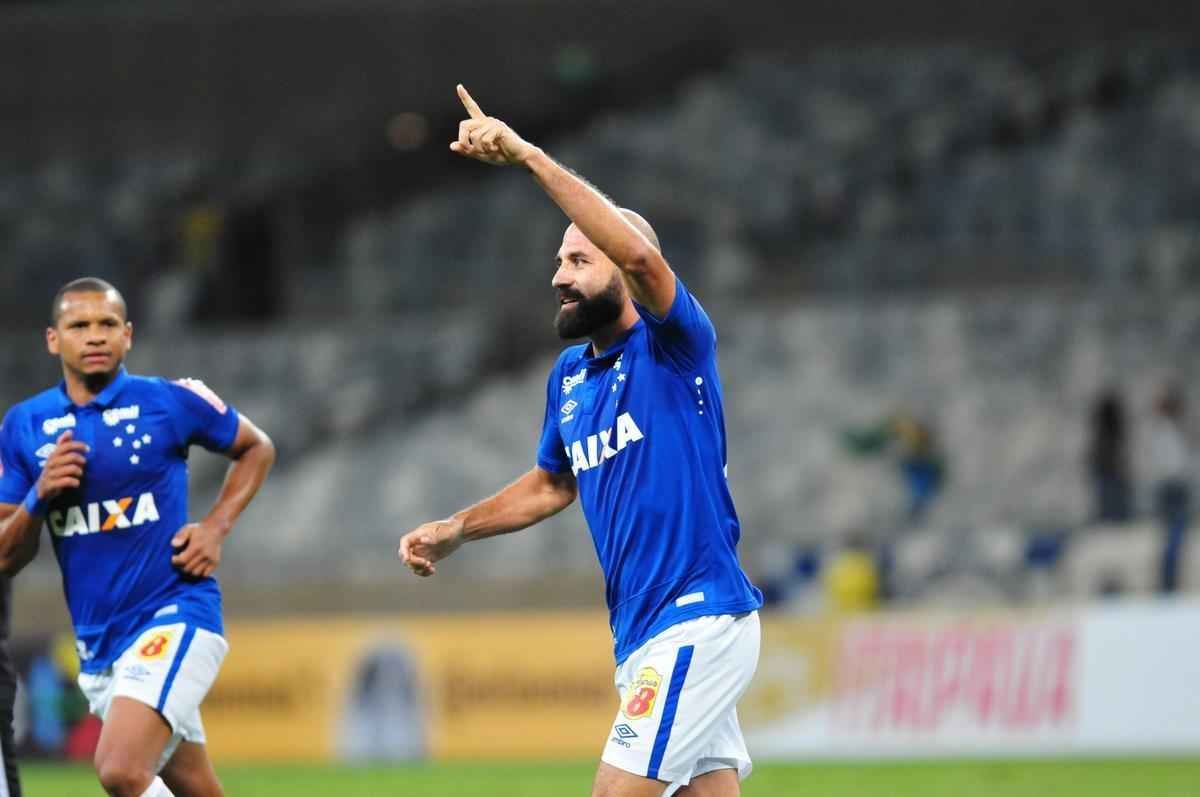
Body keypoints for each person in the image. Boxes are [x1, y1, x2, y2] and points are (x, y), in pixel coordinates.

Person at [399, 86, 763, 797]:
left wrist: (528, 156)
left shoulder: (675, 345)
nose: (558, 277)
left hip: (696, 617)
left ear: (624, 272)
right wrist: (456, 530)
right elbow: (552, 483)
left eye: (578, 259)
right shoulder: (571, 375)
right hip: (642, 632)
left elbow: (643, 258)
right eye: (560, 260)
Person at [0, 278, 275, 797]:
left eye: (107, 324)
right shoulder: (25, 426)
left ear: (127, 335)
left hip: (176, 615)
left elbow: (256, 447)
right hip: (100, 646)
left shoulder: (168, 401)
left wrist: (215, 527)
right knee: (196, 787)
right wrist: (39, 493)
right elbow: (6, 556)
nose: (95, 336)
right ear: (53, 340)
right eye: (79, 326)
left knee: (120, 769)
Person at [1146, 384, 1191, 592]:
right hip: (1170, 487)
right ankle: (1167, 581)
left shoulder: (1174, 430)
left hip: (1175, 486)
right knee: (1171, 536)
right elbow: (1169, 464)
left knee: (1176, 536)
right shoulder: (1164, 431)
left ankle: (1171, 580)